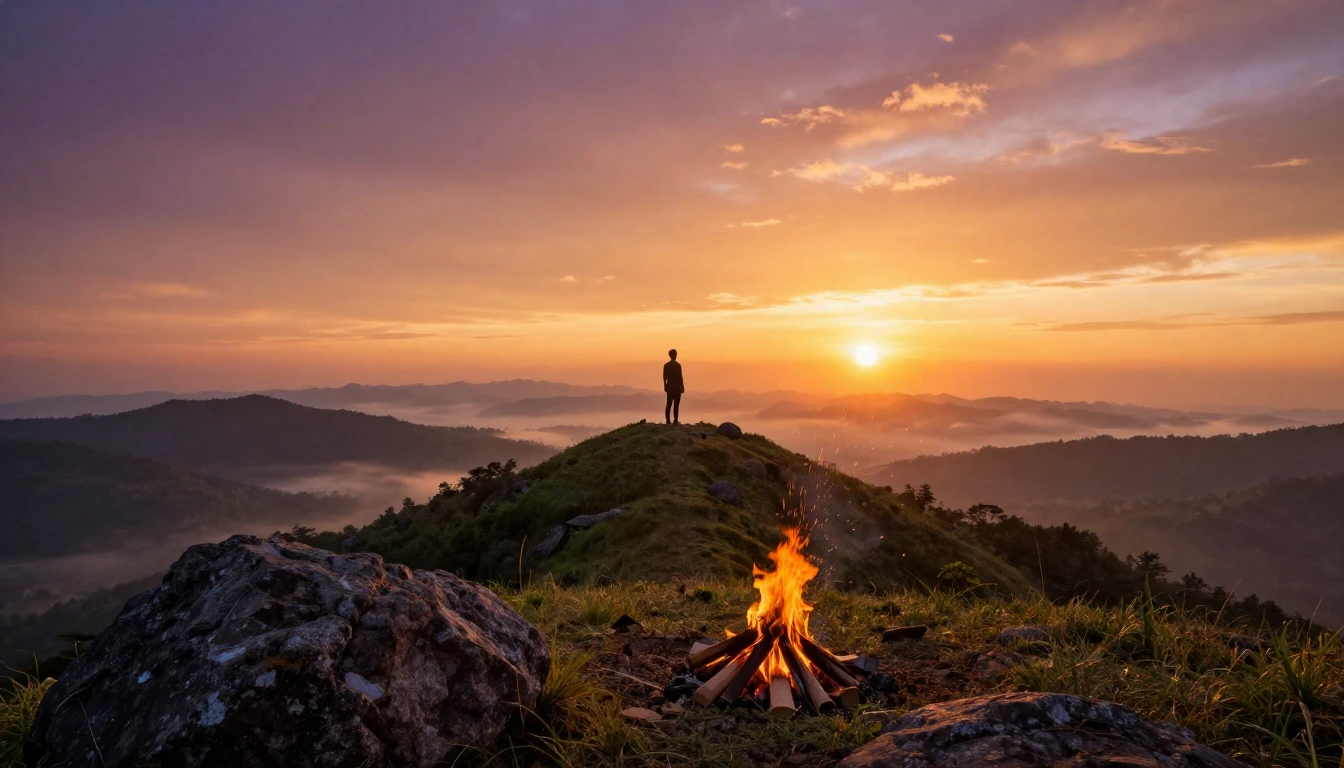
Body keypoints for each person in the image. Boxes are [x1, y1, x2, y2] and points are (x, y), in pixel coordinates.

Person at [663, 349, 684, 424]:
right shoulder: (678, 366)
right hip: (677, 387)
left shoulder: (666, 365)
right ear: (675, 355)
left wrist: (665, 386)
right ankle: (675, 420)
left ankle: (668, 420)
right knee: (676, 404)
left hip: (670, 387)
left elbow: (664, 377)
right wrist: (682, 386)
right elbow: (680, 377)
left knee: (668, 404)